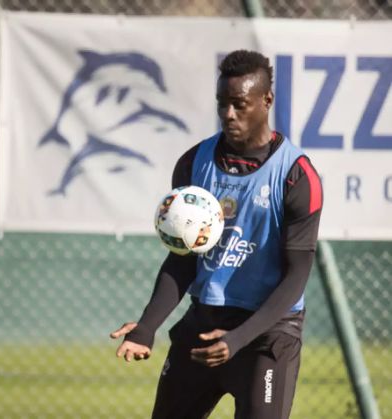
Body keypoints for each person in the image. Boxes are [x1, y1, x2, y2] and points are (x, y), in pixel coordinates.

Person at [109, 50, 322, 419]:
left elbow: (297, 275)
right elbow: (183, 261)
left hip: (267, 335)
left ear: (266, 100)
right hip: (204, 325)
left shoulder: (296, 176)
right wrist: (146, 326)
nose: (228, 114)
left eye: (239, 104)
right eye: (222, 104)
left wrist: (239, 339)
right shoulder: (194, 163)